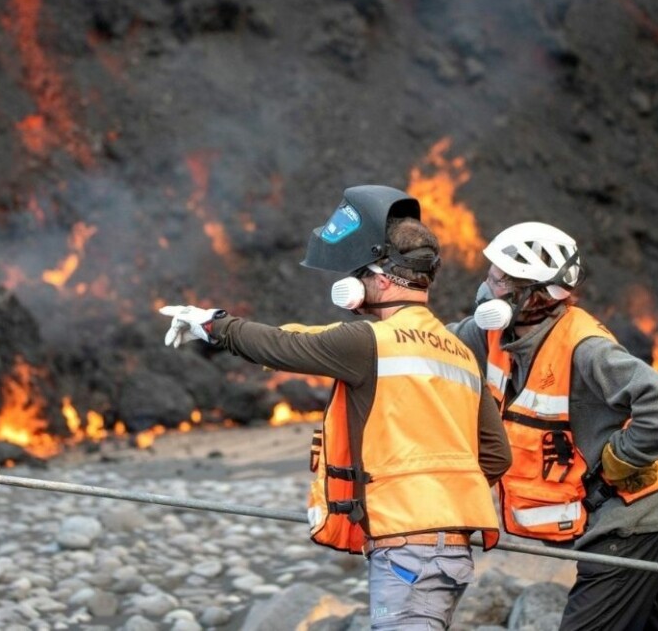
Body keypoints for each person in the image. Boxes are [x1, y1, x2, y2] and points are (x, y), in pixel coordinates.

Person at [160, 185, 512, 630]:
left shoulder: (368, 341)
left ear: (382, 278)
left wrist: (214, 324)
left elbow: (288, 345)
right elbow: (497, 456)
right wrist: (442, 498)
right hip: (453, 548)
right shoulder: (459, 353)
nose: (353, 284)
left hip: (407, 547)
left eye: (360, 274)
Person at [451, 221, 658, 631]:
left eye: (496, 280)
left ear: (531, 296)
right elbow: (434, 348)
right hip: (607, 521)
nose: (483, 288)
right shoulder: (492, 333)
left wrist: (621, 458)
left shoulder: (586, 349)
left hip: (628, 522)